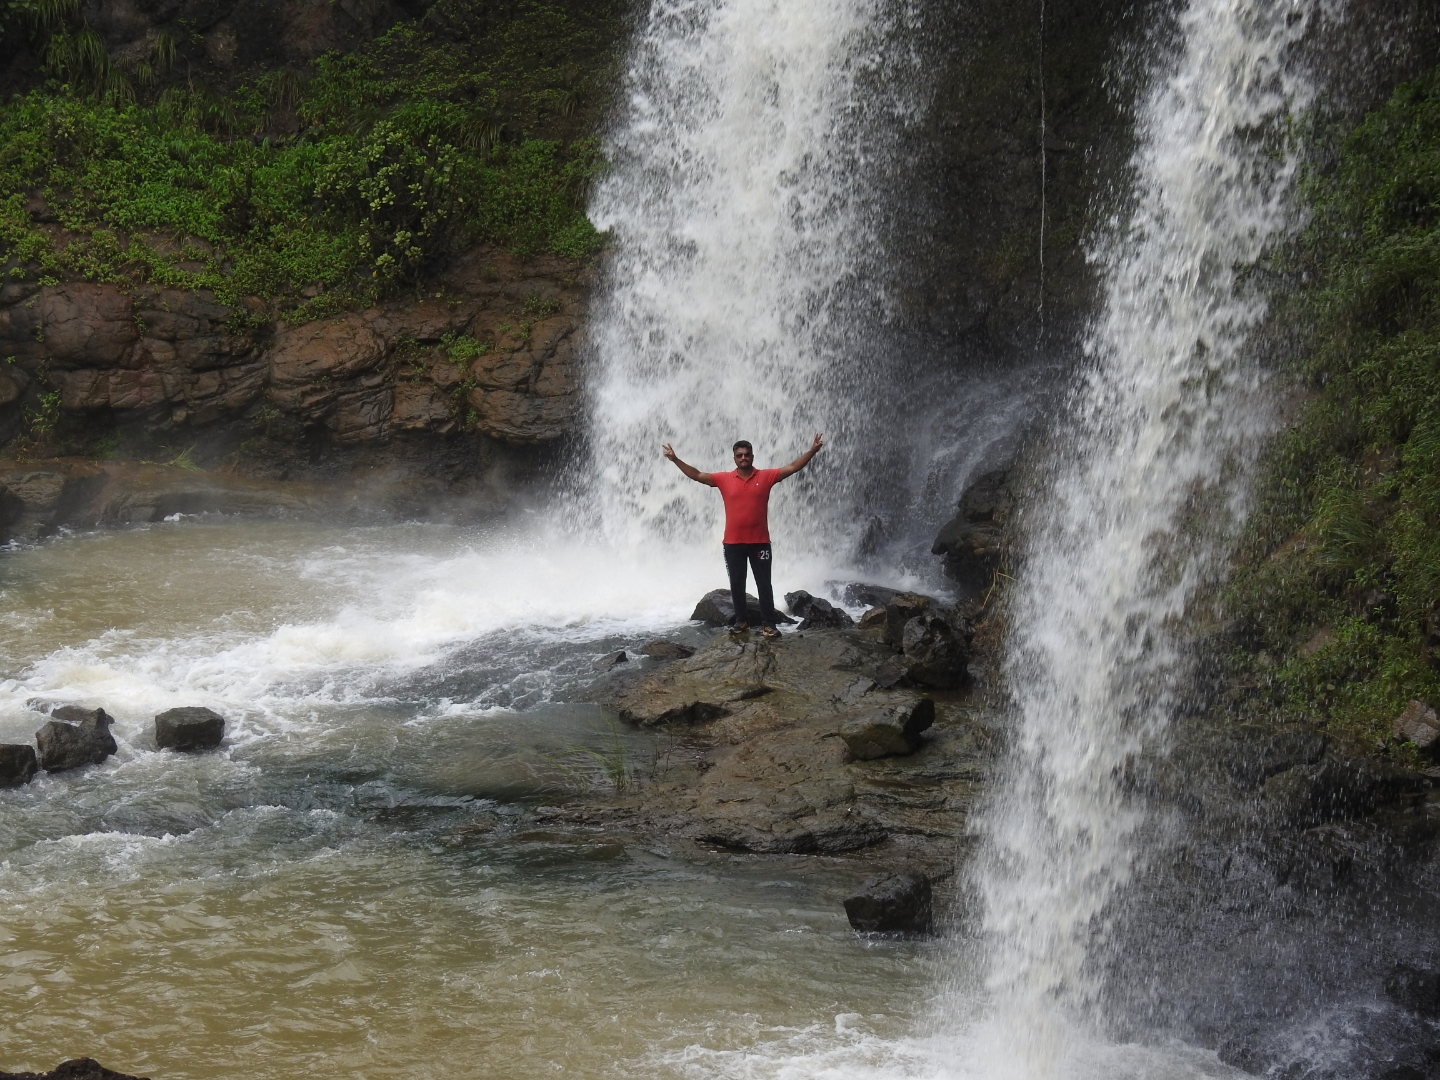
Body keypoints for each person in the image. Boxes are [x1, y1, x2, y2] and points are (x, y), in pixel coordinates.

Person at [662, 434, 824, 638]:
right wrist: (675, 459)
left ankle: (769, 625)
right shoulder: (723, 479)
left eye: (747, 454)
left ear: (753, 456)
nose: (743, 457)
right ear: (734, 458)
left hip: (760, 543)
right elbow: (697, 475)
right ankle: (741, 622)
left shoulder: (766, 476)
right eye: (739, 455)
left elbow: (792, 467)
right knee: (737, 585)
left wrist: (812, 451)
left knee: (764, 584)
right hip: (733, 543)